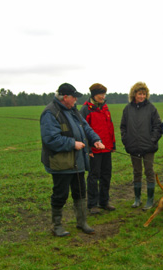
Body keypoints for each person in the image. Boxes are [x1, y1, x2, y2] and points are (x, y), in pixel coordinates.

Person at [40, 83, 105, 236]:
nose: (76, 99)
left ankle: (82, 222)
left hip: (78, 161)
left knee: (80, 192)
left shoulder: (73, 110)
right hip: (61, 163)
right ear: (65, 97)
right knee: (60, 194)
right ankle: (56, 226)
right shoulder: (50, 113)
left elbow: (85, 127)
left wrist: (95, 139)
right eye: (74, 96)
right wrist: (72, 144)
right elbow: (51, 139)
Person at [120, 82, 162, 210]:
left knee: (149, 171)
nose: (142, 96)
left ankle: (150, 200)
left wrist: (152, 140)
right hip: (133, 147)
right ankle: (137, 199)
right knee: (136, 172)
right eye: (139, 94)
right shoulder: (127, 109)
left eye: (144, 94)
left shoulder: (151, 108)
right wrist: (126, 141)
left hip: (148, 147)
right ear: (134, 94)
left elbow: (157, 126)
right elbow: (123, 127)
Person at [80, 83, 116, 215]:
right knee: (93, 177)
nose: (103, 96)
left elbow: (110, 127)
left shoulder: (106, 108)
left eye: (104, 94)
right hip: (94, 150)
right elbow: (82, 131)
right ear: (94, 95)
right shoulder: (85, 110)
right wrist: (88, 149)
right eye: (101, 94)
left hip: (106, 148)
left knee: (106, 175)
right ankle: (92, 204)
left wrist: (112, 144)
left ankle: (104, 201)